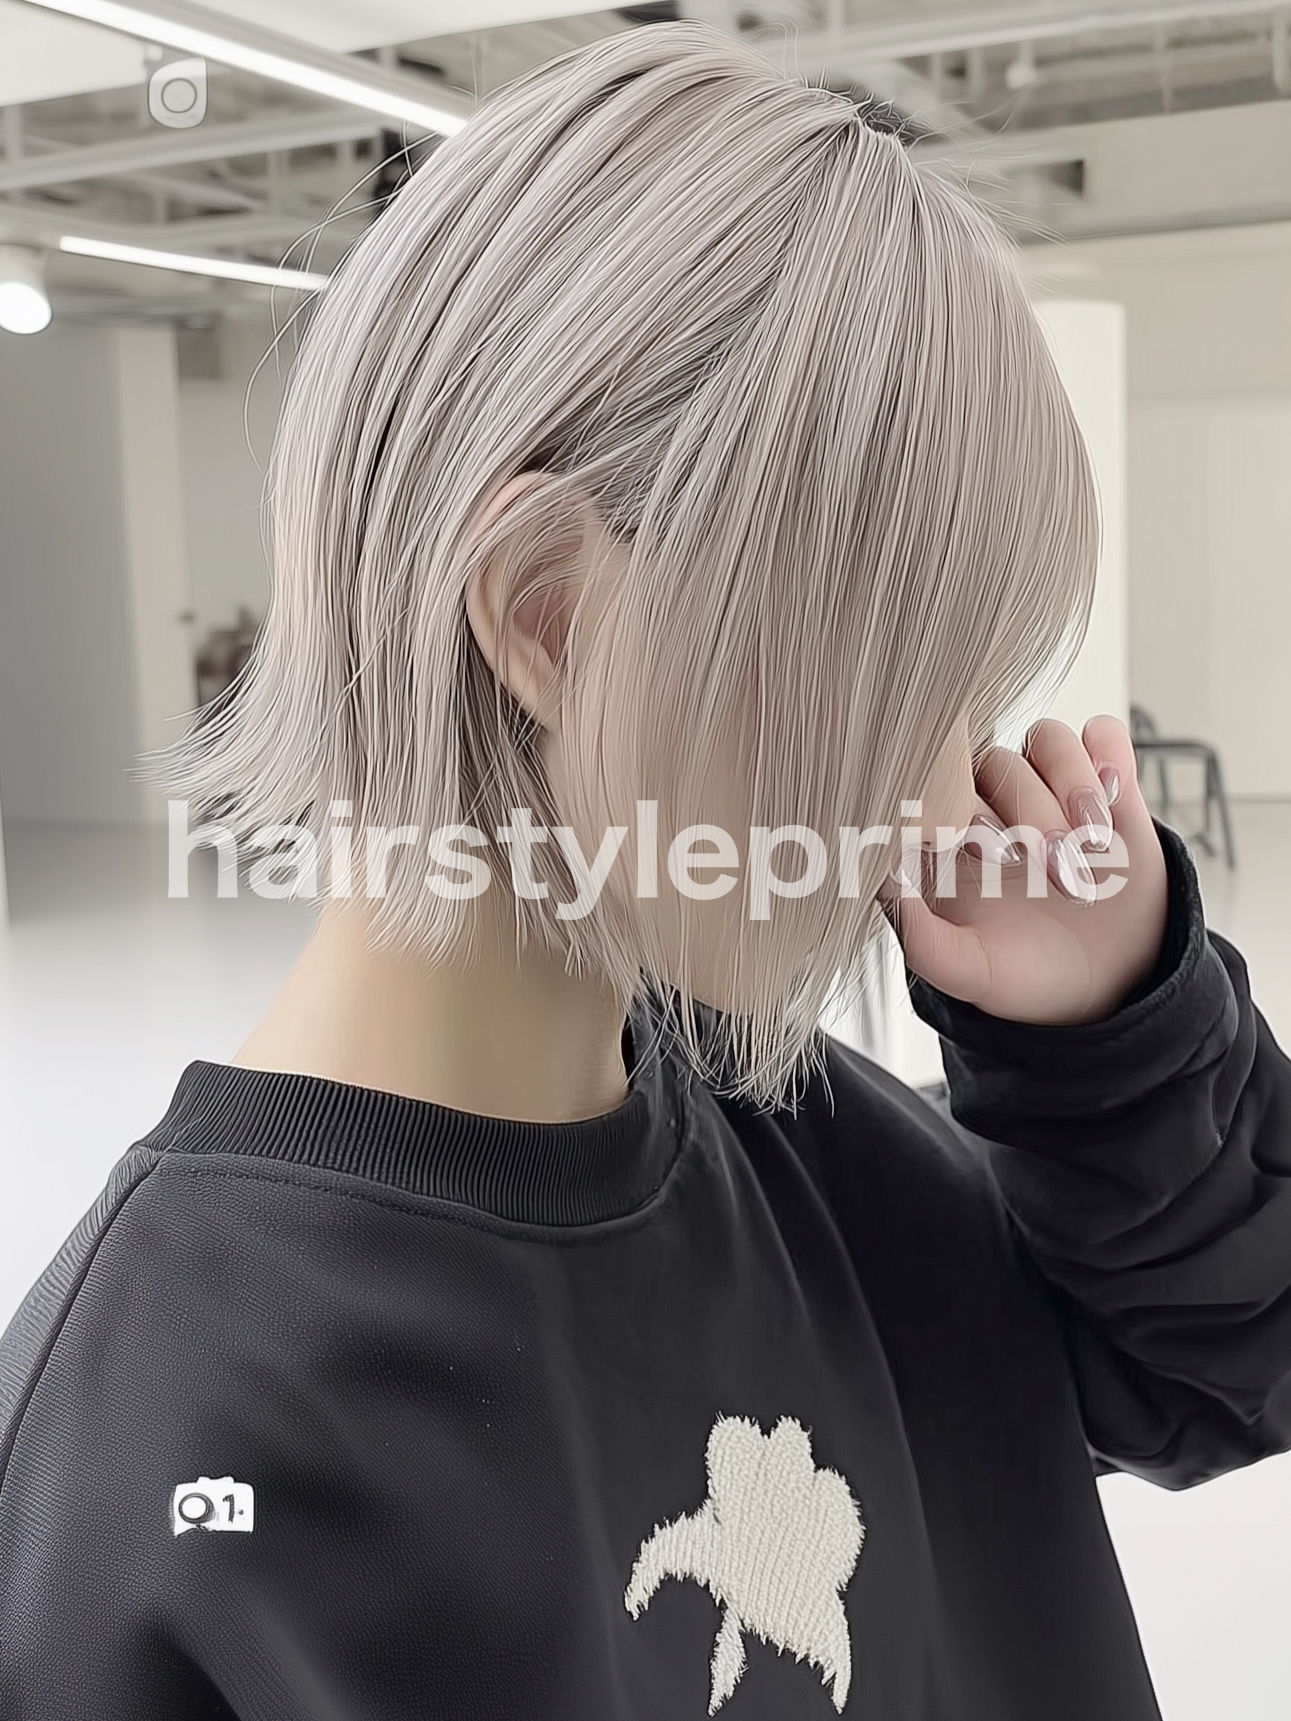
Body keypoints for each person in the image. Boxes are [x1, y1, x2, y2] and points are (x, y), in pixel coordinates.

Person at [1, 21, 1288, 1721]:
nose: (946, 794)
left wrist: (1113, 1046)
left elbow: (1223, 1357)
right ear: (548, 613)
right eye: (901, 688)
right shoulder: (151, 1477)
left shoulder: (822, 1156)